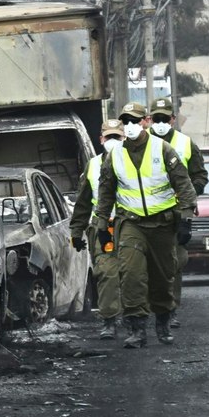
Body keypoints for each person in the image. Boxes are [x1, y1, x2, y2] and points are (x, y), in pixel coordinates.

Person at [93, 101, 198, 348]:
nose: (130, 126)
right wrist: (100, 225)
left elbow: (183, 183)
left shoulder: (162, 149)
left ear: (145, 122)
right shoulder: (115, 155)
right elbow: (106, 191)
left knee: (163, 277)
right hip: (131, 223)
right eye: (125, 122)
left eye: (134, 121)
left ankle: (162, 321)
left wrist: (186, 218)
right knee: (131, 273)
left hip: (162, 223)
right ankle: (137, 329)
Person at [147, 97, 207, 329]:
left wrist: (189, 199)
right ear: (149, 119)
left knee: (174, 262)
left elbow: (200, 175)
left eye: (165, 118)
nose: (161, 123)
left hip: (176, 213)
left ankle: (170, 310)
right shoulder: (137, 144)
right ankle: (142, 311)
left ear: (172, 119)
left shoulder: (185, 144)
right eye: (156, 118)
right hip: (143, 214)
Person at [70, 119, 125, 339]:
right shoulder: (93, 165)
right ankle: (109, 321)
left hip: (131, 225)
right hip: (103, 228)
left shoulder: (133, 162)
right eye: (109, 137)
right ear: (101, 140)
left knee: (133, 273)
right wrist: (76, 232)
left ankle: (135, 319)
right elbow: (83, 201)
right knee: (106, 273)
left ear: (124, 139)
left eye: (117, 137)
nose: (113, 141)